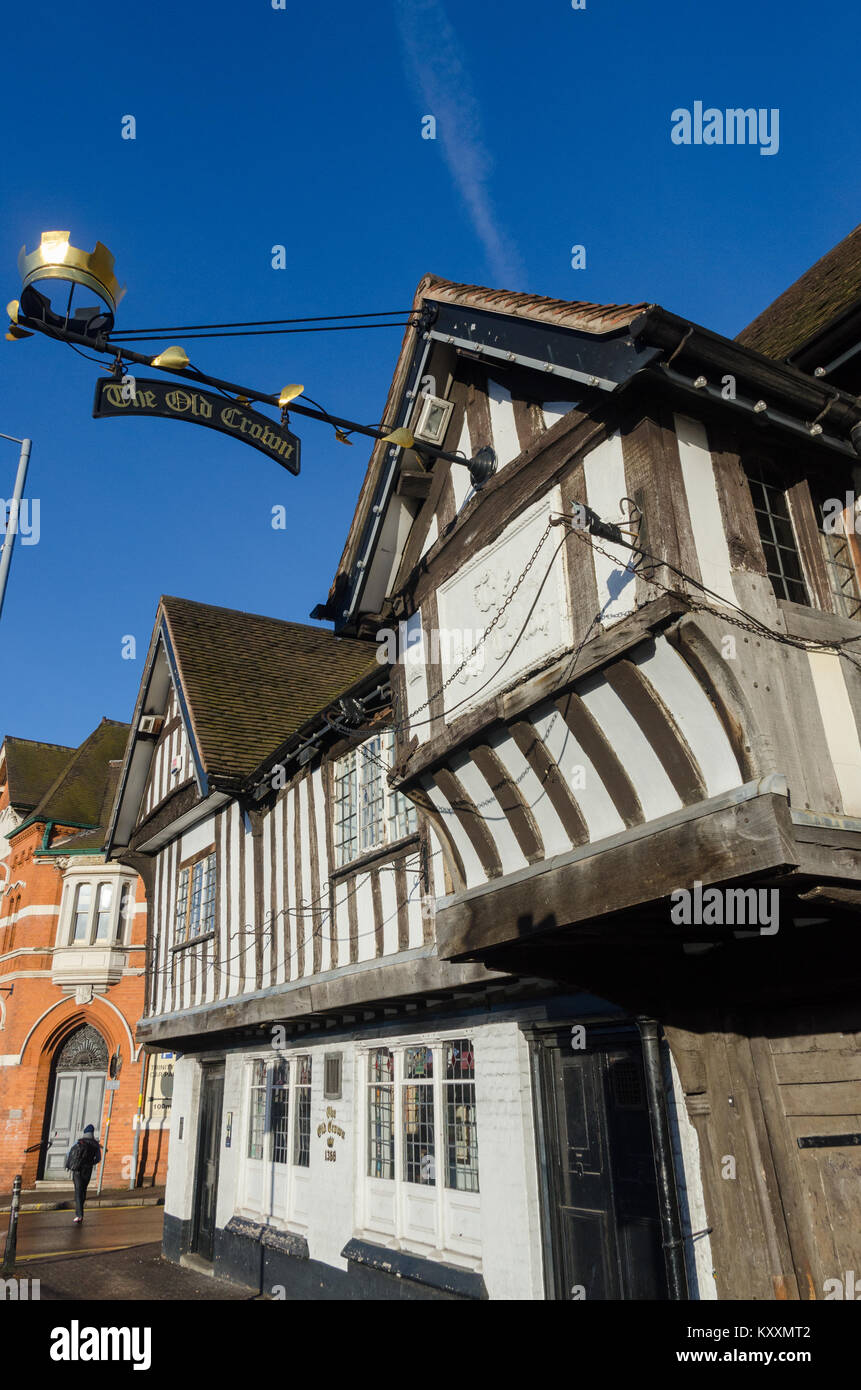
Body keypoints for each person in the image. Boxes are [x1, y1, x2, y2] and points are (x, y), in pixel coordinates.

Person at [64, 1123, 102, 1223]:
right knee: (83, 1189)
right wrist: (90, 1163)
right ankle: (80, 1211)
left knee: (78, 1191)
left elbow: (68, 1154)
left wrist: (70, 1164)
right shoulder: (95, 1144)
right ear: (92, 1133)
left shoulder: (79, 1142)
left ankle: (79, 1215)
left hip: (77, 1169)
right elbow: (98, 1159)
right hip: (88, 1169)